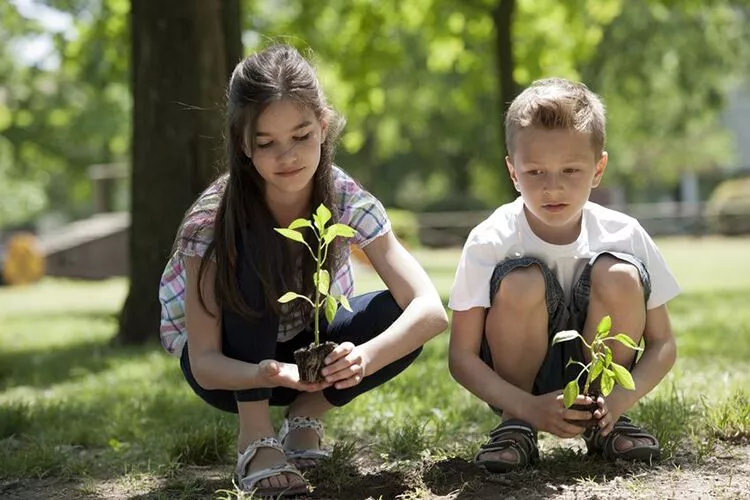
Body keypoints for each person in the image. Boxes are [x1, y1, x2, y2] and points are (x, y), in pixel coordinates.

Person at [159, 43, 448, 497]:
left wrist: (362, 360)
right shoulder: (212, 220)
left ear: (324, 126)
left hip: (311, 354)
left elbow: (430, 309)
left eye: (301, 135)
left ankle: (305, 416)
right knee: (255, 247)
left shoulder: (343, 196)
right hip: (233, 366)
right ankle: (255, 437)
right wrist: (267, 374)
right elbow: (206, 363)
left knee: (399, 314)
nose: (287, 155)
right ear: (241, 143)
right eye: (266, 143)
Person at [448, 78, 679, 472]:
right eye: (535, 171)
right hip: (519, 386)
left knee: (620, 275)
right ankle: (516, 426)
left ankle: (604, 423)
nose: (552, 187)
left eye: (570, 170)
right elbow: (462, 357)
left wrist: (619, 399)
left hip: (603, 382)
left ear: (598, 168)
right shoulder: (490, 239)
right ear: (513, 171)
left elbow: (662, 344)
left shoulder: (625, 233)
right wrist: (527, 407)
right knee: (522, 281)